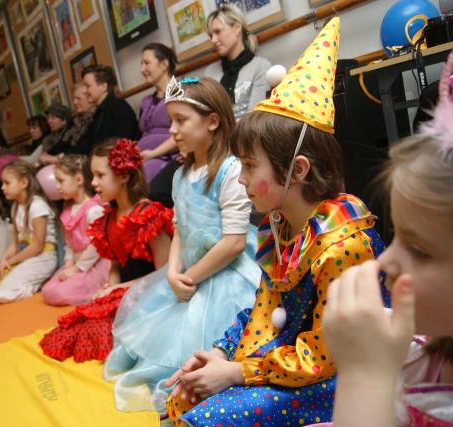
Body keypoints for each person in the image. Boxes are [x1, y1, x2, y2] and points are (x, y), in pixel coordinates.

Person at [164, 18, 387, 426]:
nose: (241, 179)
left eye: (249, 167)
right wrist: (221, 353)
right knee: (184, 398)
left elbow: (325, 355)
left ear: (297, 170)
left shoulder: (342, 245)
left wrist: (237, 373)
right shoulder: (281, 227)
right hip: (289, 357)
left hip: (342, 373)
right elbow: (264, 309)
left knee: (208, 418)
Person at [103, 77, 261, 412]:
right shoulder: (180, 175)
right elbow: (180, 227)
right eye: (170, 120)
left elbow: (233, 243)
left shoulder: (230, 170)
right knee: (152, 342)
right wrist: (173, 271)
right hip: (188, 273)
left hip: (224, 275)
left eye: (180, 120)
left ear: (212, 121)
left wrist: (189, 277)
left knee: (197, 349)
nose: (172, 130)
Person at [323, 51, 453, 427]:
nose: (384, 261)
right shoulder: (421, 348)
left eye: (419, 250)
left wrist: (364, 376)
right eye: (395, 234)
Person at [39, 139, 173, 362]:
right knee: (75, 329)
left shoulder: (148, 214)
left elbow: (165, 273)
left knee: (106, 335)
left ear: (124, 176)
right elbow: (115, 266)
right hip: (125, 292)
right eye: (93, 175)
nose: (93, 183)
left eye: (100, 175)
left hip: (153, 294)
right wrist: (110, 289)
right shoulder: (108, 218)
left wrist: (119, 289)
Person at [0, 160, 58, 307]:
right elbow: (16, 242)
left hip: (43, 258)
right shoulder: (15, 207)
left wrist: (11, 261)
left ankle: (40, 286)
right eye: (2, 183)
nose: (2, 187)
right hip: (27, 256)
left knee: (2, 294)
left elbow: (37, 247)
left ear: (24, 183)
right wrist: (3, 261)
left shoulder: (38, 205)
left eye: (7, 183)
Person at [41, 155, 109, 306]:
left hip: (93, 265)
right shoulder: (68, 210)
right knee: (48, 290)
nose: (57, 187)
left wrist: (77, 268)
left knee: (59, 293)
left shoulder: (94, 209)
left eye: (61, 181)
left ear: (79, 180)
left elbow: (97, 245)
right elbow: (69, 244)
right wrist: (69, 263)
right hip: (77, 264)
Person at [204, 4, 271, 119]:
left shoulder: (261, 66)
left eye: (218, 32)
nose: (213, 40)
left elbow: (255, 118)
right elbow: (206, 116)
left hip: (249, 129)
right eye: (211, 35)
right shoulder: (210, 73)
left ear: (237, 28)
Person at [138, 43, 178, 182]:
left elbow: (184, 133)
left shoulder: (180, 92)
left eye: (147, 63)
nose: (142, 69)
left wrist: (153, 153)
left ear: (164, 64)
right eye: (141, 64)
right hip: (144, 157)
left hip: (167, 158)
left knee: (140, 178)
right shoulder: (146, 101)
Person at [77, 65, 139, 153]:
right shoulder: (98, 113)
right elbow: (85, 143)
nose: (85, 91)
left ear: (104, 86)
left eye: (88, 86)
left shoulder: (119, 106)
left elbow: (122, 143)